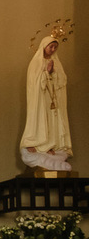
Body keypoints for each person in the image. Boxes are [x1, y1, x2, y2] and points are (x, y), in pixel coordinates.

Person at [20, 33, 72, 172]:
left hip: (53, 101)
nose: (53, 50)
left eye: (55, 47)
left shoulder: (57, 63)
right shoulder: (36, 62)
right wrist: (46, 73)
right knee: (40, 120)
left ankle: (52, 145)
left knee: (53, 123)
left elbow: (62, 81)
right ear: (44, 46)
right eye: (51, 47)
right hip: (40, 100)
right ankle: (39, 145)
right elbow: (34, 82)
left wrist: (54, 73)